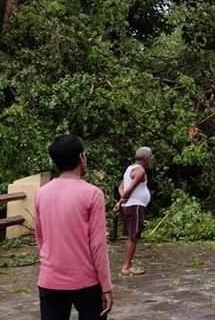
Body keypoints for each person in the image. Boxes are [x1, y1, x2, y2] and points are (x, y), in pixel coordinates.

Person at [35, 134, 113, 320]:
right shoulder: (93, 194)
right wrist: (106, 286)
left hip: (49, 280)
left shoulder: (42, 194)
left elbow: (41, 238)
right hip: (86, 281)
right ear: (81, 158)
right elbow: (98, 245)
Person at [116, 146, 152, 276]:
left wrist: (122, 199)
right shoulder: (140, 171)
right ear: (146, 158)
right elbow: (130, 188)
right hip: (135, 206)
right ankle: (127, 266)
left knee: (132, 236)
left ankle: (128, 264)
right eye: (150, 157)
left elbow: (121, 186)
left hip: (130, 206)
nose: (151, 160)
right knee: (133, 236)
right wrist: (122, 200)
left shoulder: (129, 169)